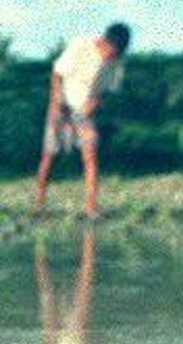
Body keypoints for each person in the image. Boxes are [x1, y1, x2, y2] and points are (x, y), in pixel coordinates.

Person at [34, 22, 129, 219]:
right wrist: (56, 104)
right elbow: (57, 73)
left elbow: (110, 90)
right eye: (111, 52)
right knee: (49, 155)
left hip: (85, 112)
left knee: (91, 154)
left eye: (117, 55)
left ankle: (91, 207)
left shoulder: (118, 61)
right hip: (63, 105)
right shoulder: (81, 45)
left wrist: (97, 102)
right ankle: (40, 205)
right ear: (104, 42)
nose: (111, 58)